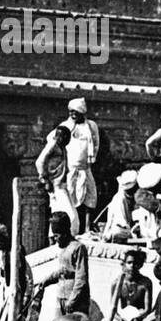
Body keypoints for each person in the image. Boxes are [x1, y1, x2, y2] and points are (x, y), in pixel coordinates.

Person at [59, 99, 100, 233]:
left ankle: (87, 228)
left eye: (75, 112)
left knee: (90, 198)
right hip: (70, 169)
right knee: (71, 198)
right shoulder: (65, 126)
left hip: (85, 168)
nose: (73, 115)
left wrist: (91, 158)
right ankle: (71, 229)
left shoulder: (91, 126)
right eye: (71, 112)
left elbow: (96, 143)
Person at [36, 125, 79, 235]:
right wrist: (45, 180)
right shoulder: (53, 145)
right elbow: (39, 162)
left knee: (57, 214)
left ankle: (53, 237)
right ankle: (70, 235)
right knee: (71, 215)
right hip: (56, 185)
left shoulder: (62, 148)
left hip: (61, 184)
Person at [103, 249, 152, 321]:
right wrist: (120, 319)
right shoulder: (117, 283)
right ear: (124, 264)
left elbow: (147, 309)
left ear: (140, 265)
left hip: (139, 318)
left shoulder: (146, 283)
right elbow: (113, 309)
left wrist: (137, 318)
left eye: (135, 263)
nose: (132, 266)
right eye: (129, 263)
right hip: (123, 319)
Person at [102, 170, 138, 243]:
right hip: (120, 230)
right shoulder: (120, 199)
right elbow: (123, 223)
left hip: (119, 230)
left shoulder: (125, 197)